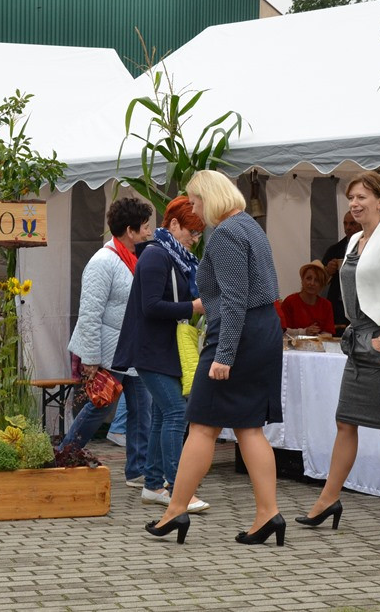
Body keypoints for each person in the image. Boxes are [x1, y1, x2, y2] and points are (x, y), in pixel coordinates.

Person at [145, 170, 284, 546]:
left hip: (236, 335)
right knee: (249, 427)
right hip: (263, 330)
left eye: (197, 200)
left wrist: (224, 355)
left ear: (210, 197)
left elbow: (235, 300)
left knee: (202, 423)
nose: (196, 208)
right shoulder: (249, 226)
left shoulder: (224, 235)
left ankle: (176, 511)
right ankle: (268, 514)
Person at [297, 171, 380, 539]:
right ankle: (328, 499)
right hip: (359, 341)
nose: (354, 203)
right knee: (345, 421)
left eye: (362, 197)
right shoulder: (354, 240)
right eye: (351, 197)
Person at [113, 197, 210, 514]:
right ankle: (175, 488)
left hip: (162, 348)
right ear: (174, 224)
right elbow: (151, 307)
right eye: (191, 232)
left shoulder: (171, 256)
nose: (194, 240)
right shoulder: (157, 256)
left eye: (198, 234)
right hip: (151, 348)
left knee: (161, 416)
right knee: (175, 413)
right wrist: (193, 307)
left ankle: (154, 485)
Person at [59, 196, 153, 487]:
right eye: (146, 227)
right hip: (110, 352)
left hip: (131, 350)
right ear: (130, 230)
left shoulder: (132, 257)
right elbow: (89, 311)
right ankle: (64, 455)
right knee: (99, 407)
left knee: (142, 408)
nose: (150, 232)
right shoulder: (103, 261)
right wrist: (90, 357)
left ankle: (137, 470)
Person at [321, 210, 361, 333]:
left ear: (361, 223)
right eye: (345, 224)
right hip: (339, 307)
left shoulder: (373, 246)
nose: (348, 228)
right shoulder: (335, 249)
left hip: (362, 305)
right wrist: (328, 271)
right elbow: (319, 279)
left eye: (352, 224)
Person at [280, 260, 334, 337]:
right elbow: (283, 331)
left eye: (317, 280)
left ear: (322, 285)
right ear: (302, 280)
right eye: (308, 278)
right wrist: (304, 332)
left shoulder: (326, 305)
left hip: (318, 348)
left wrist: (316, 336)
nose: (312, 283)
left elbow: (328, 334)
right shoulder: (290, 301)